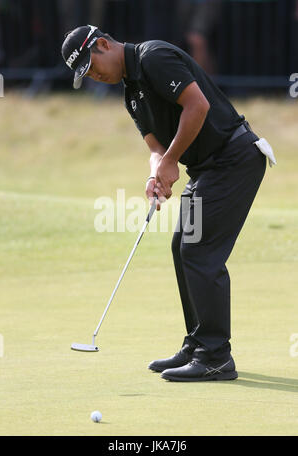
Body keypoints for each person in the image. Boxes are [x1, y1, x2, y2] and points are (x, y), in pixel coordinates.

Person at [61, 25, 274, 382]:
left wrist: (172, 161)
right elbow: (155, 148)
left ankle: (216, 356)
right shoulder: (131, 94)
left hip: (234, 157)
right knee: (182, 247)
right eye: (88, 76)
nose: (96, 77)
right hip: (207, 168)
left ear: (102, 44)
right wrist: (155, 174)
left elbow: (197, 105)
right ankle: (198, 344)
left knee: (199, 250)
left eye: (93, 67)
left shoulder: (153, 56)